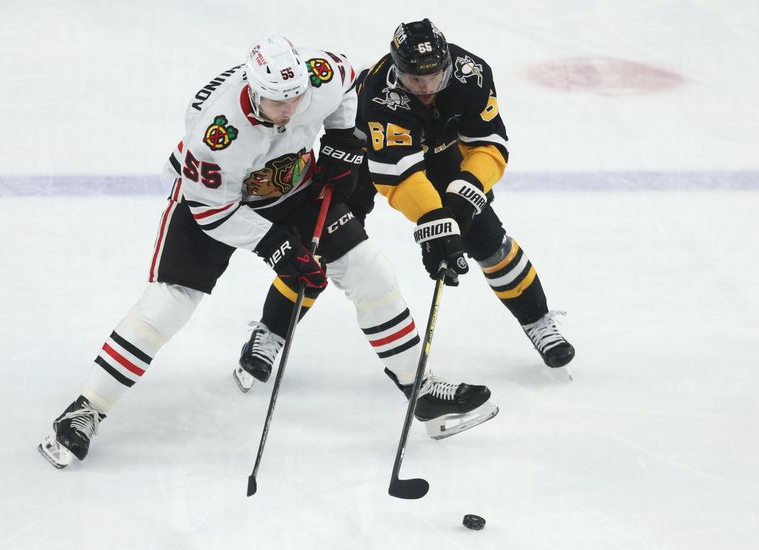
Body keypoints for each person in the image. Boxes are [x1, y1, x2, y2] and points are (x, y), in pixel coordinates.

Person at [38, 36, 497, 469]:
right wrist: (274, 244)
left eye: (297, 98)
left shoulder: (317, 75)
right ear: (254, 92)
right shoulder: (216, 135)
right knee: (169, 304)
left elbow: (347, 88)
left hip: (294, 186)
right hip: (214, 202)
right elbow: (211, 210)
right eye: (279, 102)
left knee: (369, 270)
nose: (291, 109)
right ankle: (85, 410)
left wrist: (341, 139)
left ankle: (421, 390)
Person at [238, 20, 574, 392]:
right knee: (321, 247)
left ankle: (538, 321)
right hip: (367, 160)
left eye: (434, 76)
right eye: (415, 79)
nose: (426, 88)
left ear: (447, 61)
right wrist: (435, 221)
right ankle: (270, 333)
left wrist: (470, 186)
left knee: (488, 240)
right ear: (399, 71)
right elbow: (398, 173)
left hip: (441, 153)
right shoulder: (382, 93)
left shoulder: (472, 74)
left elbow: (490, 141)